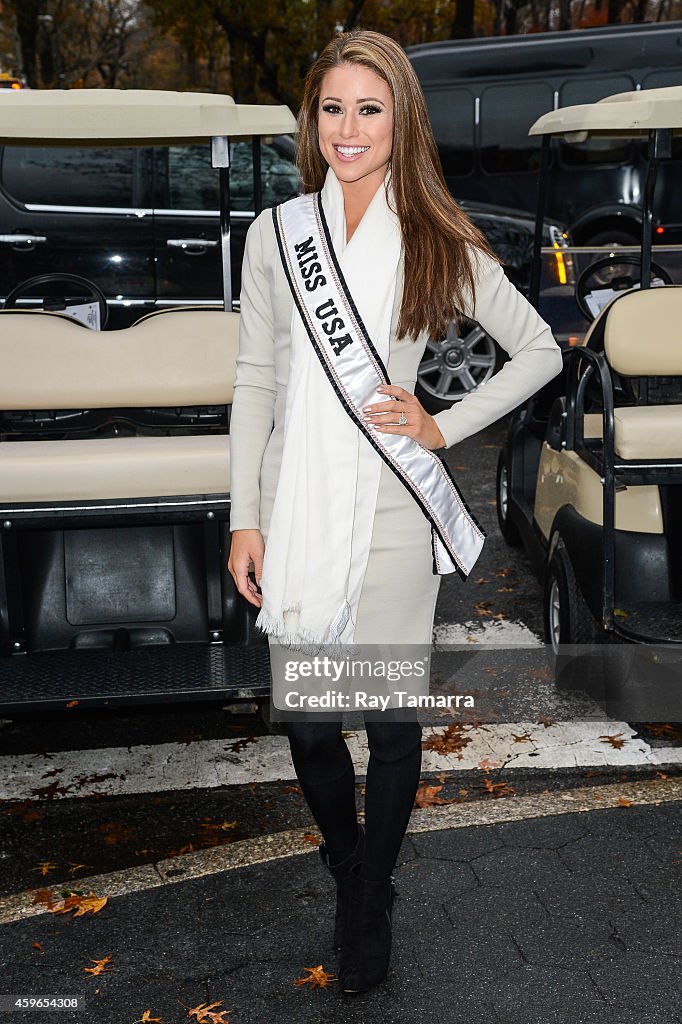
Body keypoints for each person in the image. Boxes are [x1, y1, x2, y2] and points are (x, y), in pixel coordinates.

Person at [227, 28, 563, 996]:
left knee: (388, 717)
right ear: (311, 118)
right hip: (294, 509)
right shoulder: (275, 235)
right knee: (306, 723)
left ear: (400, 119)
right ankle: (350, 862)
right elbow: (254, 380)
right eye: (332, 108)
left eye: (368, 109)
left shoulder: (432, 235)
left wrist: (443, 426)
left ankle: (364, 901)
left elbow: (538, 350)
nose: (347, 127)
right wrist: (242, 516)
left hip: (386, 511)